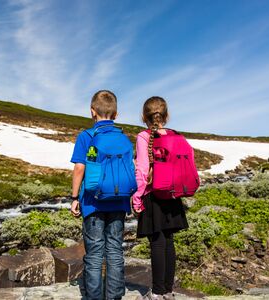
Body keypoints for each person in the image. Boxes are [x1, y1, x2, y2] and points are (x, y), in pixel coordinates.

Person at [70, 90, 133, 300]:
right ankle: (114, 296)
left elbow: (80, 168)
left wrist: (73, 198)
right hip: (119, 202)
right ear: (115, 114)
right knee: (115, 250)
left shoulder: (87, 137)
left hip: (93, 202)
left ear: (92, 112)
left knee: (95, 253)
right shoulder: (124, 139)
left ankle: (94, 297)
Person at [132, 96, 189, 300]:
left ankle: (156, 292)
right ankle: (168, 290)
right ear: (166, 115)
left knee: (156, 242)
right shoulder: (177, 136)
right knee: (169, 241)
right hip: (173, 195)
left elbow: (141, 171)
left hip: (153, 194)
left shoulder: (144, 136)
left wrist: (137, 198)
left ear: (143, 116)